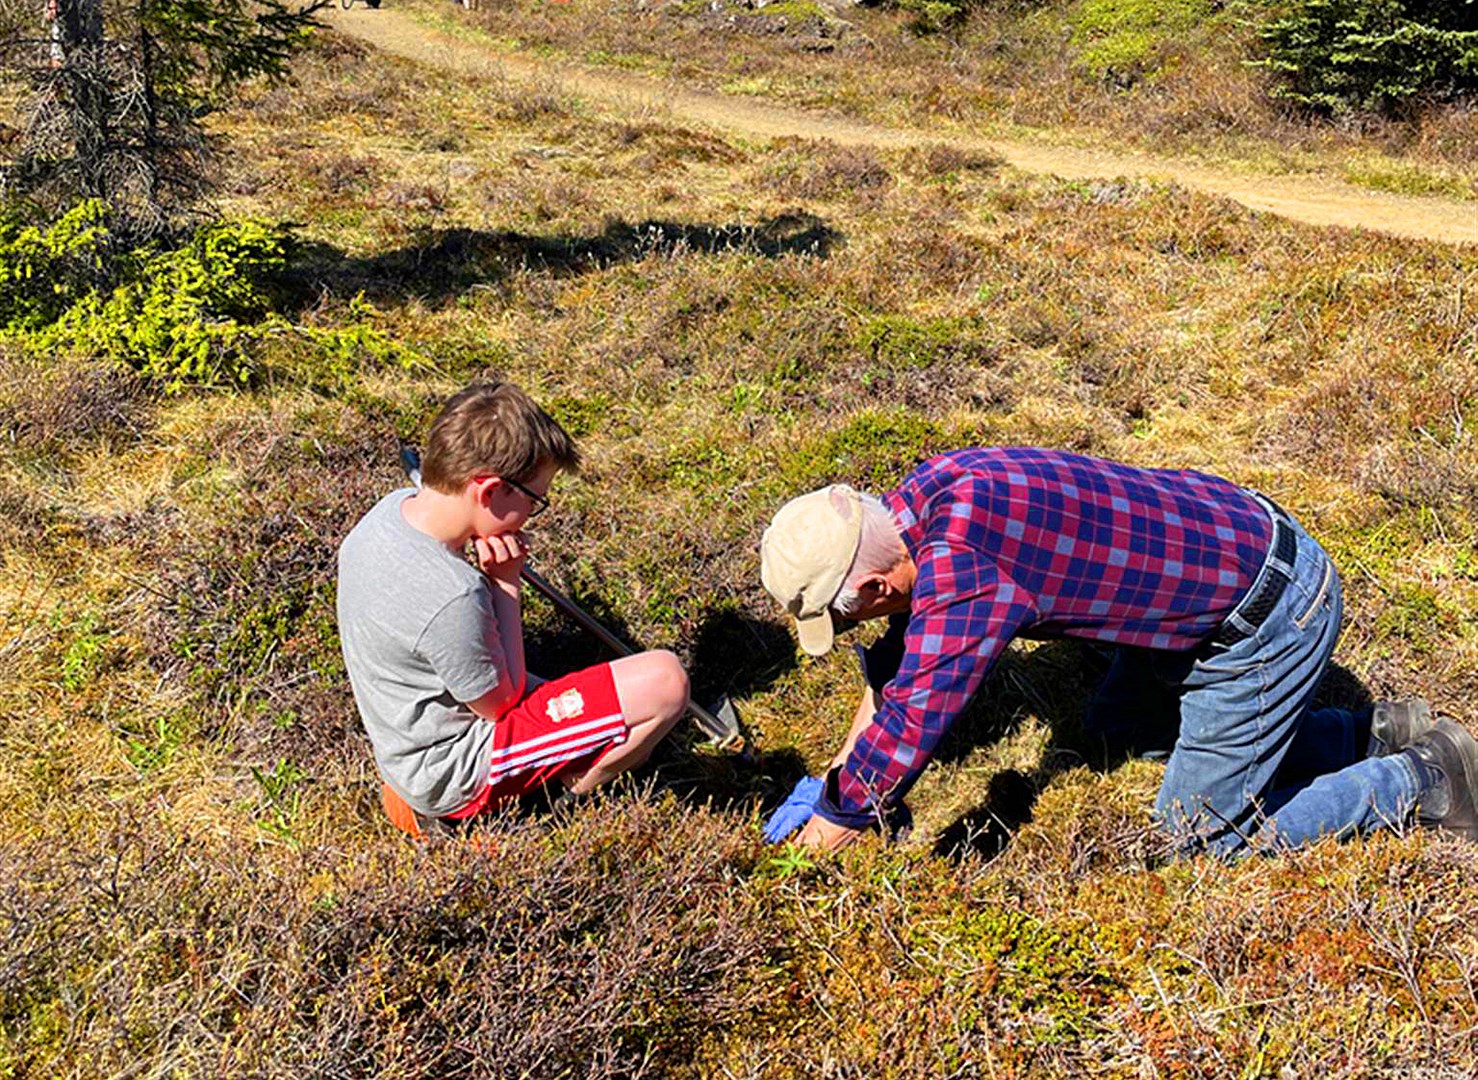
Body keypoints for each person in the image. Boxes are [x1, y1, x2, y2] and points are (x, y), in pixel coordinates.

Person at [758, 447, 1478, 857]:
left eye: (848, 615)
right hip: (1229, 546)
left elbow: (917, 714)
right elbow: (900, 670)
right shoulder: (925, 495)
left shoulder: (962, 573)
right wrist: (836, 779)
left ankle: (1427, 776)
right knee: (1118, 730)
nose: (857, 626)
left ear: (877, 585)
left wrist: (834, 826)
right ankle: (1366, 734)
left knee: (1199, 839)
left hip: (1270, 615)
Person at [336, 381, 690, 837]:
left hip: (406, 747)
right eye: (534, 500)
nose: (532, 512)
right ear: (489, 491)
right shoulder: (452, 595)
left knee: (614, 685)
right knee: (666, 682)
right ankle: (564, 798)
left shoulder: (386, 514)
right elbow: (502, 703)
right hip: (453, 774)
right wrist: (504, 581)